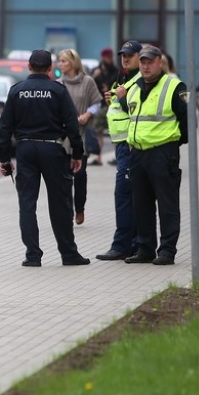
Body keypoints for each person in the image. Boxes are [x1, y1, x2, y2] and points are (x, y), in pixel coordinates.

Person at [0, 49, 89, 267]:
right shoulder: (58, 90)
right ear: (50, 68)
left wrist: (4, 159)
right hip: (53, 149)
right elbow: (72, 124)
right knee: (60, 203)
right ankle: (69, 254)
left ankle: (33, 255)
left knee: (27, 204)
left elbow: (5, 128)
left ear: (29, 66)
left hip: (25, 150)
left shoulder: (17, 91)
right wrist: (77, 153)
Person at [122, 45, 188, 265]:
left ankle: (167, 251)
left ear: (160, 62)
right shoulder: (134, 88)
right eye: (143, 62)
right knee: (141, 204)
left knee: (167, 205)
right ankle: (145, 249)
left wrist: (172, 144)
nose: (146, 66)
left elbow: (187, 121)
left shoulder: (174, 86)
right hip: (138, 154)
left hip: (163, 153)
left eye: (150, 61)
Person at [96, 40, 143, 261]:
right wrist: (113, 100)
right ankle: (131, 244)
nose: (125, 59)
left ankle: (123, 245)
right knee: (128, 194)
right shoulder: (123, 79)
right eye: (123, 55)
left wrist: (122, 99)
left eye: (130, 55)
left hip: (131, 144)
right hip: (122, 144)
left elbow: (138, 111)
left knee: (124, 194)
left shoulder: (139, 80)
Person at [57, 49, 103, 225]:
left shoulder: (87, 81)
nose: (60, 64)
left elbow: (97, 102)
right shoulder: (59, 84)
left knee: (80, 174)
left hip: (81, 133)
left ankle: (80, 208)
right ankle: (67, 210)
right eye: (59, 61)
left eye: (63, 61)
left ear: (73, 62)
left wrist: (87, 114)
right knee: (64, 176)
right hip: (63, 136)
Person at [91, 47, 119, 164]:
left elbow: (118, 83)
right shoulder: (97, 70)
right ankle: (98, 157)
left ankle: (117, 156)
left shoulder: (115, 71)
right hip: (100, 104)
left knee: (115, 131)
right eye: (107, 57)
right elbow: (90, 85)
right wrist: (94, 76)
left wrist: (109, 87)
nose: (109, 59)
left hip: (112, 104)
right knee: (98, 131)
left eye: (110, 57)